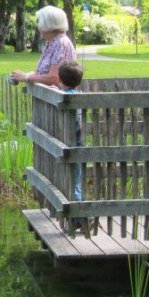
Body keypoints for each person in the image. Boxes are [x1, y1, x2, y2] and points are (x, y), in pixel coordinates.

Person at [10, 5, 76, 87]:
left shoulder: (61, 44)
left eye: (40, 22)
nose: (38, 27)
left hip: (57, 99)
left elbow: (55, 79)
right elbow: (42, 73)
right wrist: (24, 75)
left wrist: (27, 77)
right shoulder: (52, 43)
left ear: (49, 25)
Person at [57, 60, 86, 229]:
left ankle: (79, 217)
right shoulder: (78, 94)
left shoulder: (66, 98)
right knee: (77, 180)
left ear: (60, 80)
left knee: (74, 181)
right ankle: (78, 215)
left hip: (71, 145)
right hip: (79, 143)